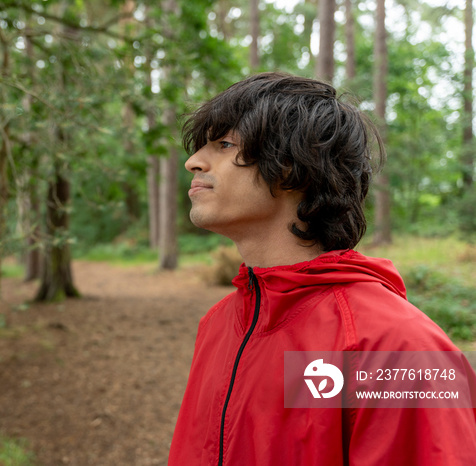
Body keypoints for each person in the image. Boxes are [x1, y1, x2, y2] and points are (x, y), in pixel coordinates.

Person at [168, 72, 476, 465]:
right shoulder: (219, 324)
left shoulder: (396, 350)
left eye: (224, 144)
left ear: (290, 166)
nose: (193, 162)